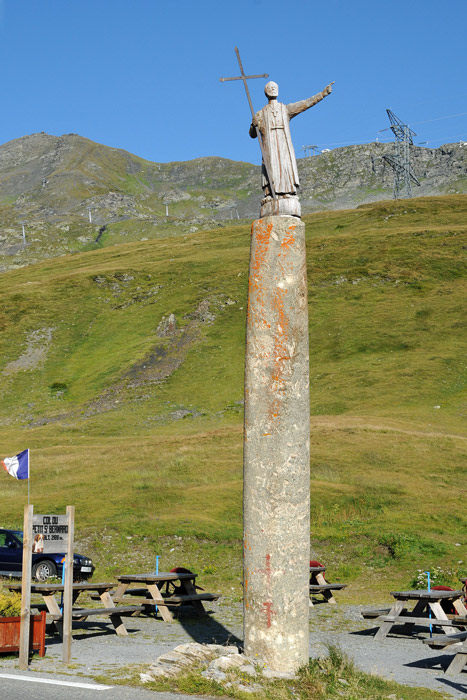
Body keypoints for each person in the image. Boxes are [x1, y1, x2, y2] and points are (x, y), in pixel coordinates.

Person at [250, 80, 333, 217]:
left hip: (283, 144)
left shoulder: (286, 109)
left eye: (275, 87)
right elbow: (252, 135)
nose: (273, 89)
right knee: (271, 167)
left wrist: (323, 94)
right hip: (269, 146)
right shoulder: (261, 113)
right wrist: (253, 126)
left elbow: (305, 104)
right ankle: (271, 193)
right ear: (266, 92)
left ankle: (287, 192)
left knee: (285, 166)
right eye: (270, 88)